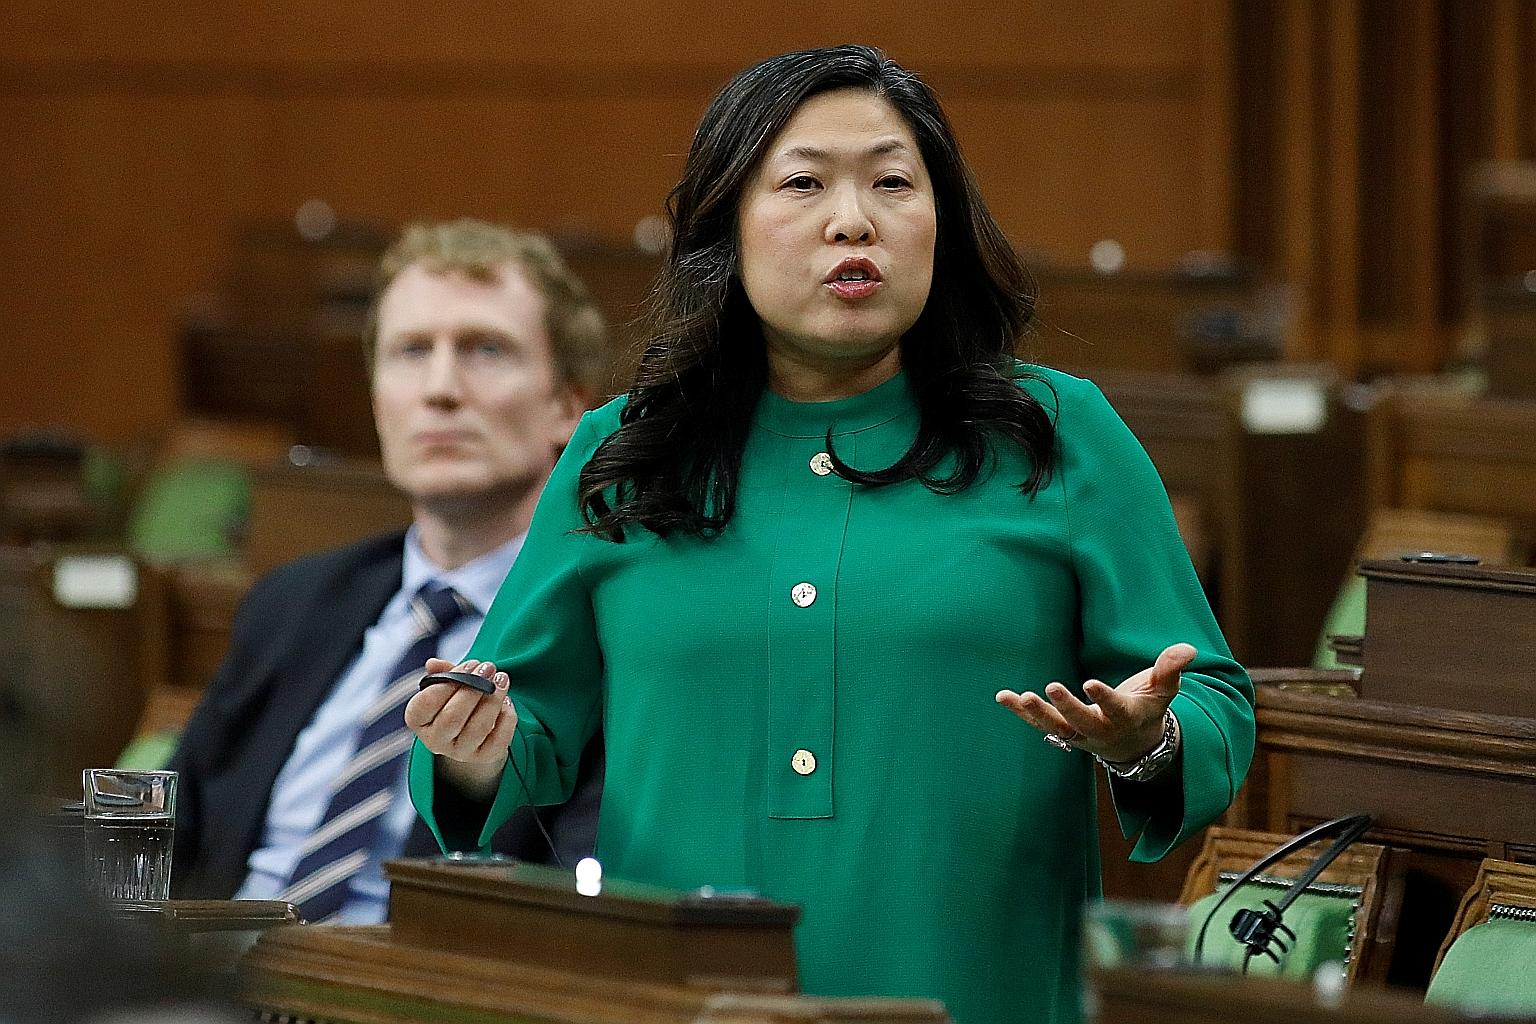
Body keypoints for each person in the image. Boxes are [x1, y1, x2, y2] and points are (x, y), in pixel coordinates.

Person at [405, 47, 1255, 1024]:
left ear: (942, 221)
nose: (854, 220)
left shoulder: (1055, 434)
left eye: (893, 183)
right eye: (804, 183)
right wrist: (472, 745)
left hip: (975, 994)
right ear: (727, 226)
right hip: (684, 1002)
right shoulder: (626, 449)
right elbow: (518, 723)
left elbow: (1213, 700)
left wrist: (1150, 739)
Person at [170, 220, 609, 923]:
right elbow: (173, 831)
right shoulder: (295, 602)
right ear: (376, 399)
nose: (440, 389)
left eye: (485, 349)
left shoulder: (610, 628)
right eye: (411, 351)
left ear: (568, 405)